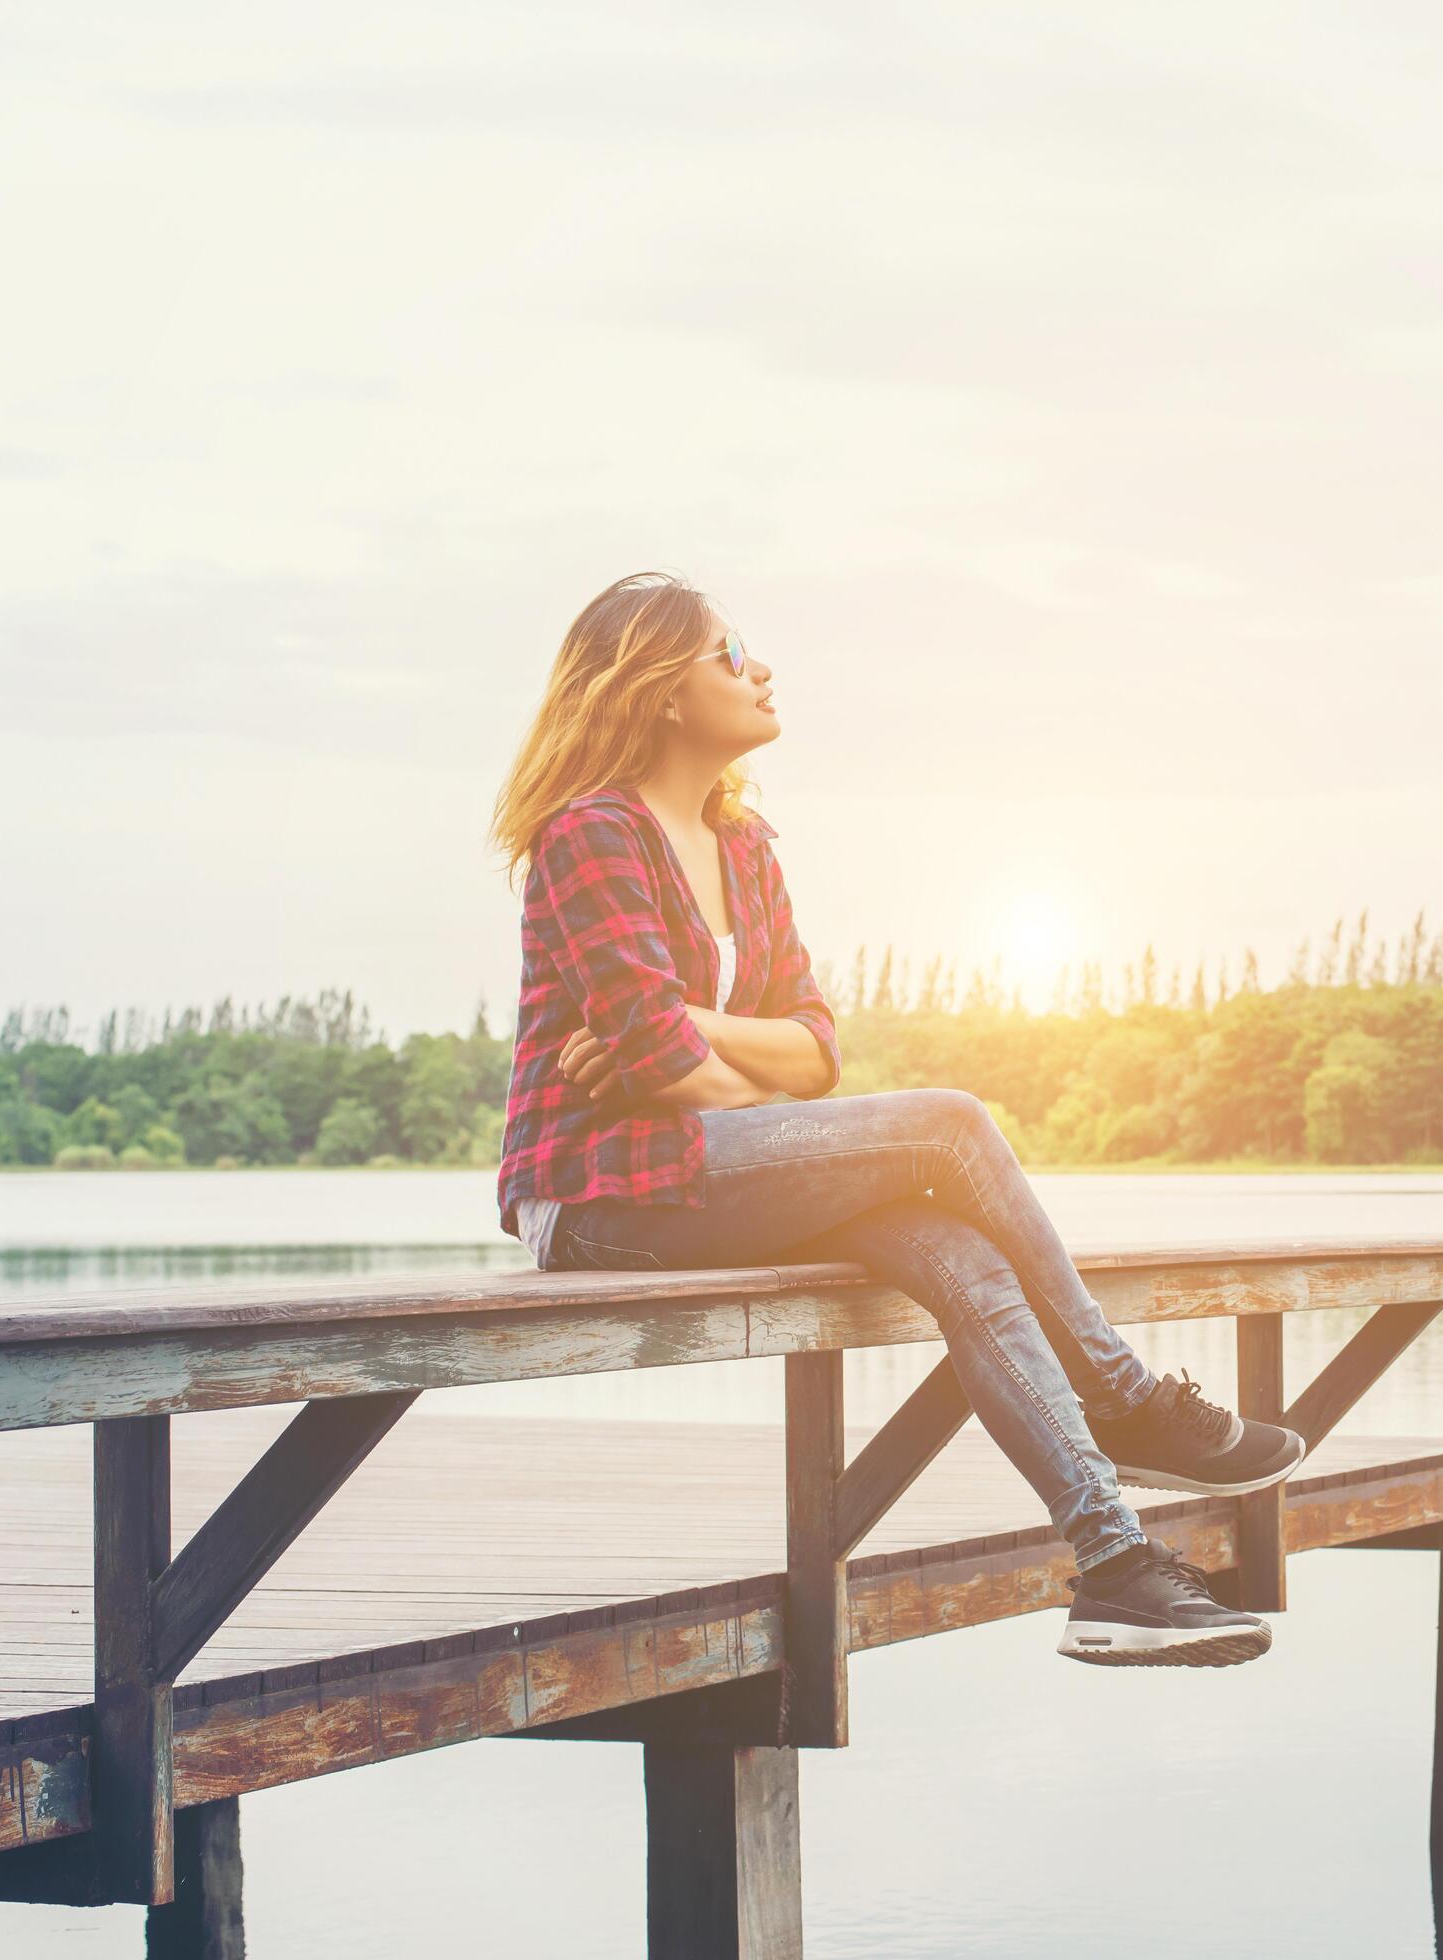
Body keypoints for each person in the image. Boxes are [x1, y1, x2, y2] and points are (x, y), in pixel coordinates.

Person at [489, 570, 1302, 1667]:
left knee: (958, 1252)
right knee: (949, 1125)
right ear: (660, 691)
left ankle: (1113, 1570)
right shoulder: (590, 835)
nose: (760, 669)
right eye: (729, 654)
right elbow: (664, 1065)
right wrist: (690, 1052)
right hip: (596, 1192)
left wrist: (686, 1026)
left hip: (716, 1171)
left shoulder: (745, 848)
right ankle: (1121, 1394)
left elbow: (815, 1049)